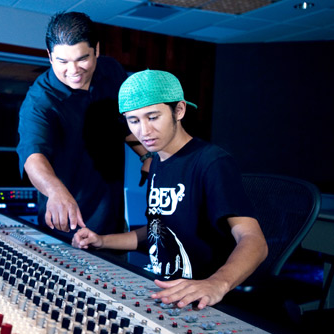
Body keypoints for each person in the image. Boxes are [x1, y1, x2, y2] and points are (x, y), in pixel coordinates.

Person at [72, 69, 268, 309]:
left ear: (179, 110)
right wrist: (102, 240)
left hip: (202, 299)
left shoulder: (211, 162)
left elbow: (254, 240)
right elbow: (158, 229)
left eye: (153, 117)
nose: (144, 131)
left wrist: (217, 283)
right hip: (166, 292)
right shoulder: (157, 164)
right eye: (133, 120)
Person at [16, 11, 150, 241]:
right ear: (49, 56)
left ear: (96, 50)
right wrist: (55, 191)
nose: (73, 70)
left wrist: (146, 155)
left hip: (113, 225)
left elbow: (120, 124)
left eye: (82, 59)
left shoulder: (111, 71)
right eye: (62, 61)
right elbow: (32, 156)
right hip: (64, 230)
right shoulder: (40, 101)